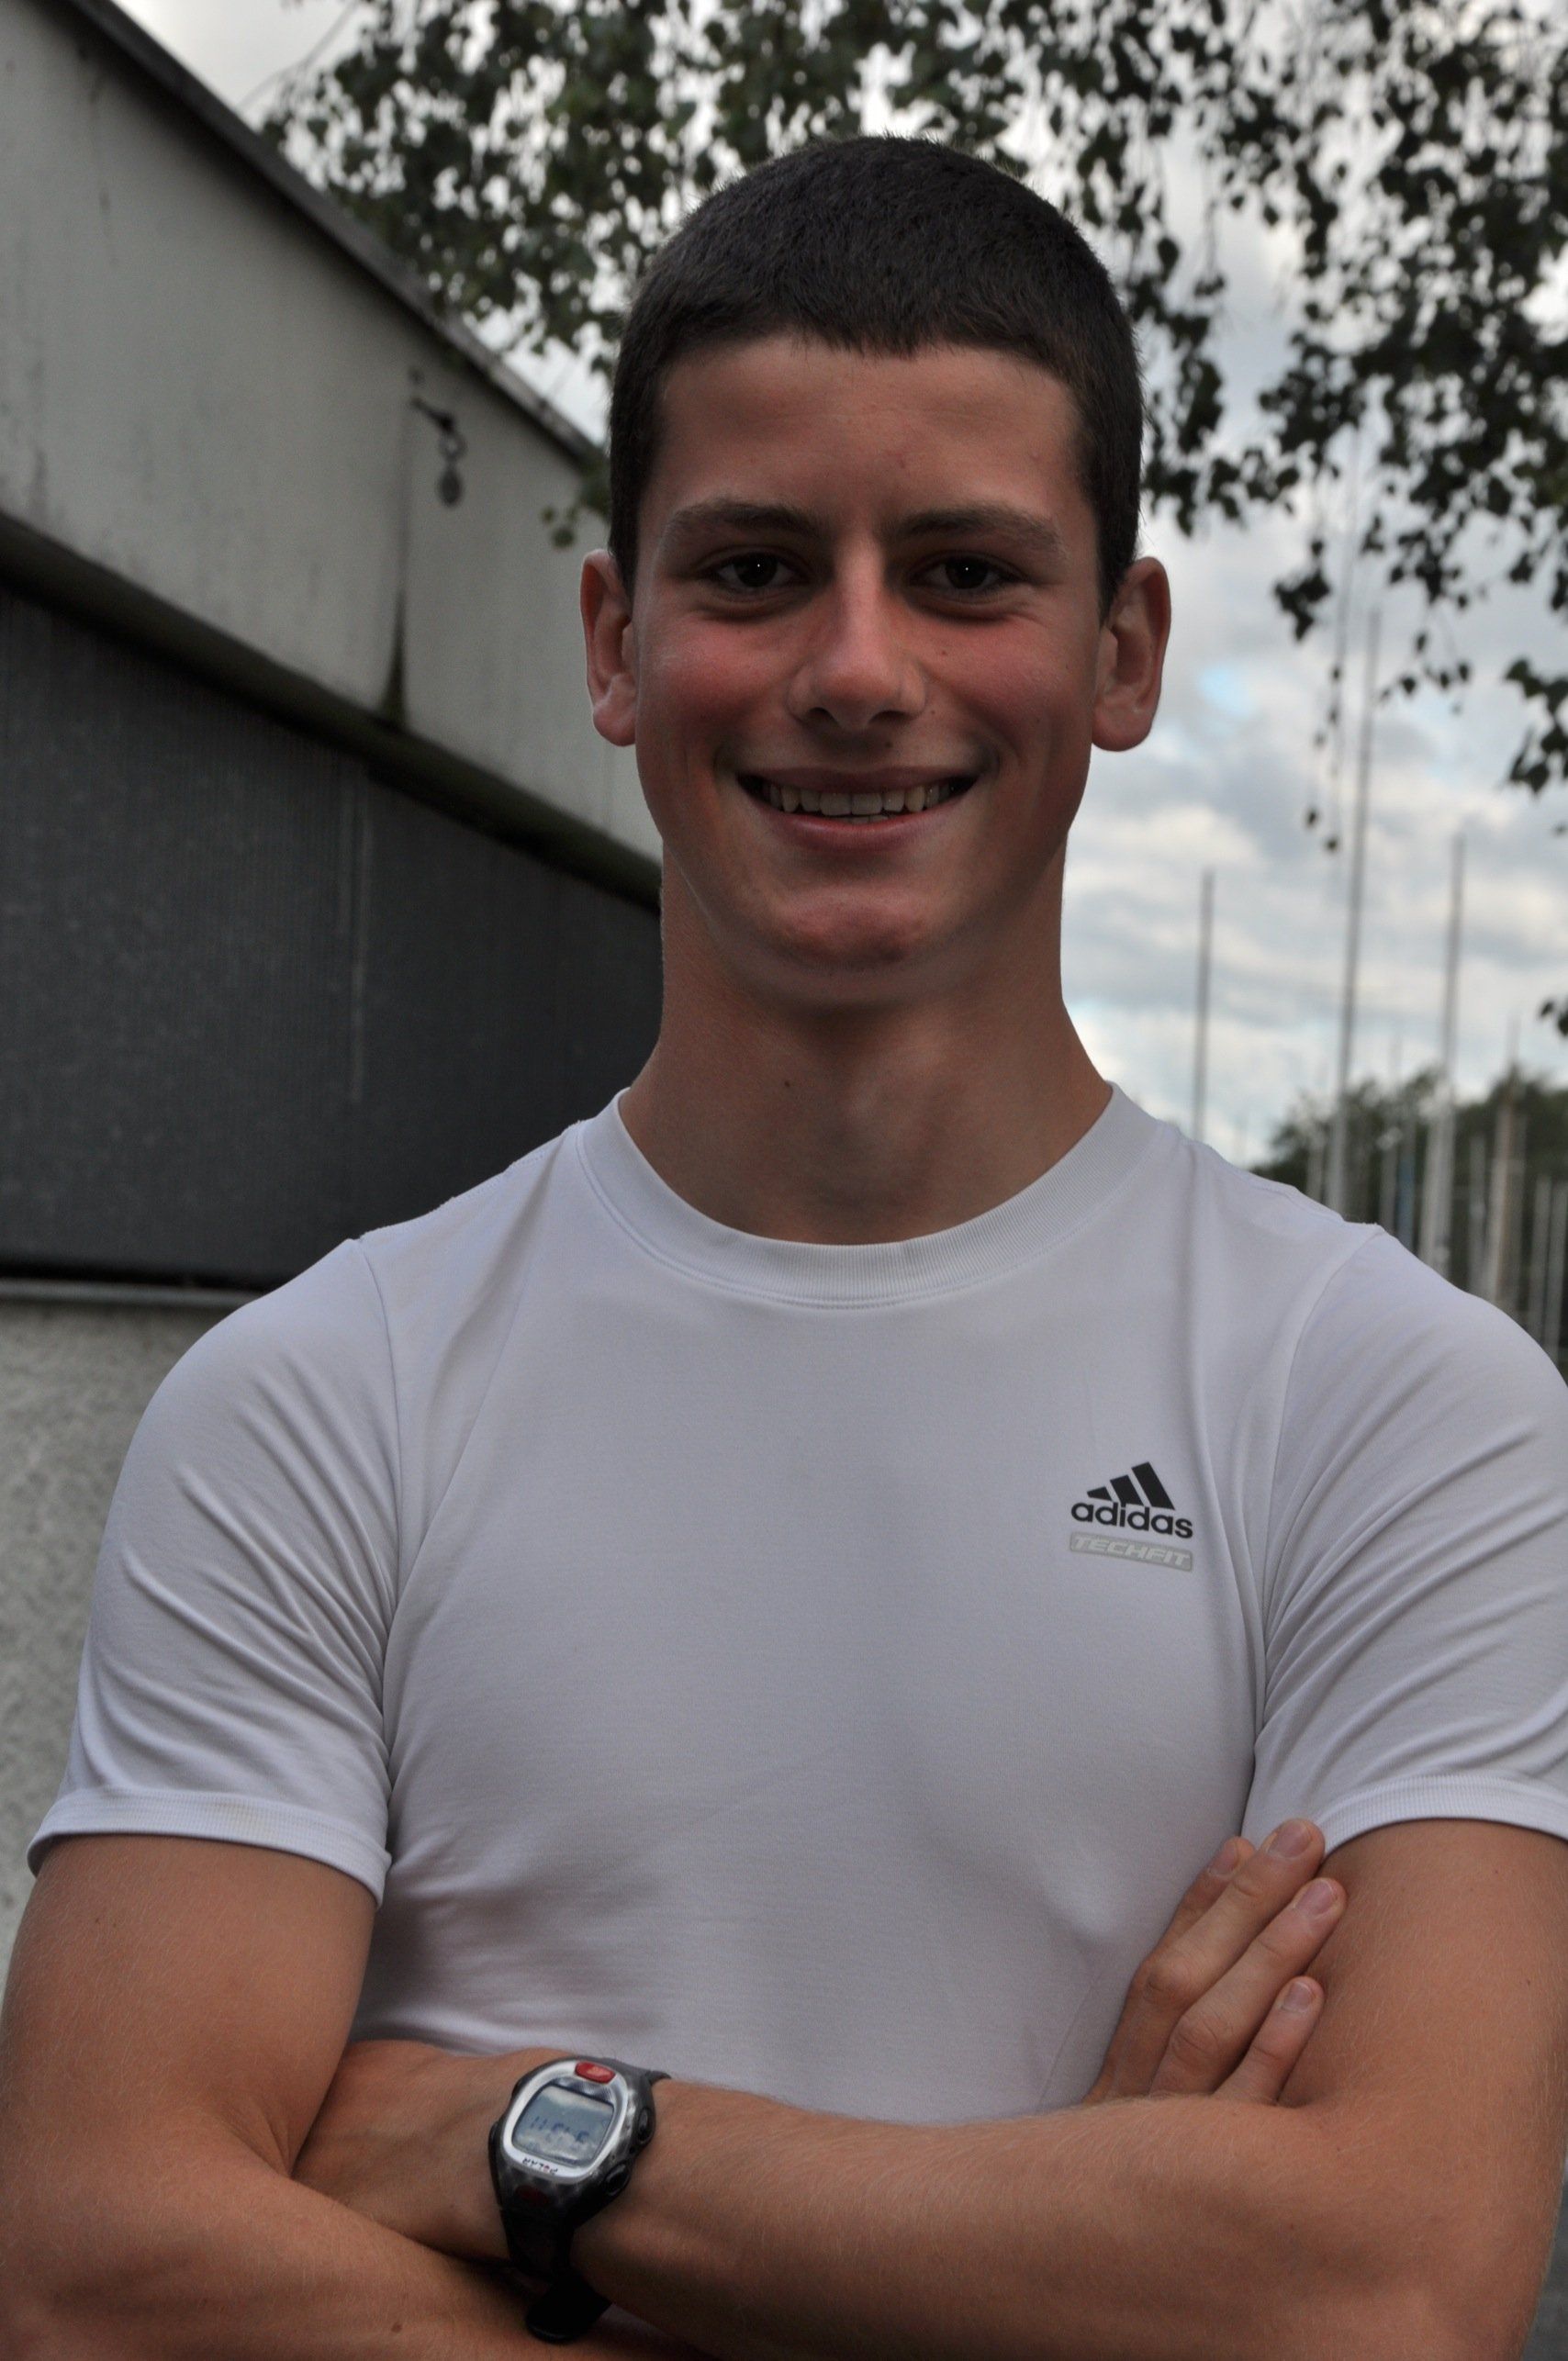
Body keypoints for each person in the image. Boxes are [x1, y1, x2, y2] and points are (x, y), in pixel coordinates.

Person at [4, 133, 1568, 2361]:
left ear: (1119, 651)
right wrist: (1060, 2270)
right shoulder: (319, 1403)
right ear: (613, 640)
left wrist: (540, 2145)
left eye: (960, 572)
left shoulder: (1399, 1413)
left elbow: (1387, 2281)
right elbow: (91, 2262)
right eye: (751, 567)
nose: (852, 665)